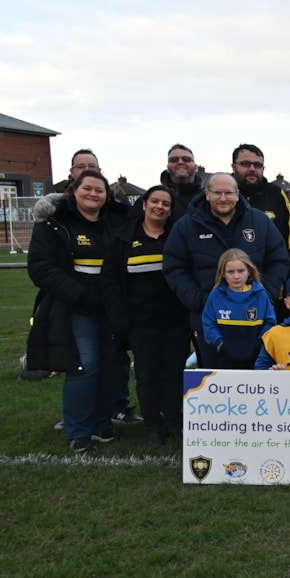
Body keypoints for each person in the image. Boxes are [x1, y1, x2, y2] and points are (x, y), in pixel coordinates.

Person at [27, 169, 129, 453]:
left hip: (110, 309)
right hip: (75, 308)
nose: (93, 194)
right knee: (85, 366)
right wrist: (80, 294)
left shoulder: (117, 220)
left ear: (107, 195)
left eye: (99, 190)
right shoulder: (53, 223)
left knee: (108, 366)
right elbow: (40, 268)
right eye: (87, 188)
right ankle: (78, 431)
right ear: (74, 191)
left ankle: (101, 424)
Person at [163, 172, 289, 368]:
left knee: (257, 381)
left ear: (237, 194)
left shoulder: (259, 222)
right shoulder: (187, 225)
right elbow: (174, 266)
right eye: (217, 192)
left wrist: (267, 293)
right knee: (215, 382)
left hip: (254, 323)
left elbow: (279, 259)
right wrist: (197, 299)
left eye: (229, 193)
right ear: (207, 194)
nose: (223, 198)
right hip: (211, 323)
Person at [101, 185, 190, 447]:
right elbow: (110, 282)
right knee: (147, 375)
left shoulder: (178, 236)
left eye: (166, 204)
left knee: (174, 374)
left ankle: (174, 422)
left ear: (171, 210)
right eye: (155, 201)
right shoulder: (123, 238)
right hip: (140, 323)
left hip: (176, 321)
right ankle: (152, 426)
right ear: (144, 204)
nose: (159, 207)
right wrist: (120, 319)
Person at [202, 248, 276, 370]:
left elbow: (270, 322)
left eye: (241, 271)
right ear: (223, 274)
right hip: (224, 357)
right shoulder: (216, 295)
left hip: (256, 357)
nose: (236, 276)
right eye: (230, 272)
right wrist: (219, 344)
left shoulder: (260, 295)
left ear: (249, 271)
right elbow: (208, 323)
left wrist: (260, 344)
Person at [232, 143, 290, 249]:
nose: (252, 169)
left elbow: (289, 236)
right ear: (233, 167)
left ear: (263, 168)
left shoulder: (277, 194)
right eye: (245, 164)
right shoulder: (221, 194)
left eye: (257, 165)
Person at [155, 143, 206, 208]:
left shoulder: (208, 198)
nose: (180, 162)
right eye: (174, 160)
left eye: (186, 159)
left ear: (196, 167)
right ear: (167, 168)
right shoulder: (152, 198)